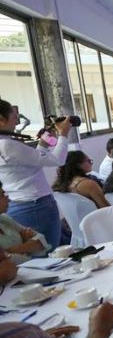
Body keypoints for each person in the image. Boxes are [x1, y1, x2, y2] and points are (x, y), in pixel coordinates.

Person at [0, 99, 70, 247]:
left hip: (18, 203)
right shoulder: (7, 145)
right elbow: (58, 160)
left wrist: (46, 139)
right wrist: (63, 134)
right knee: (49, 251)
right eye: (14, 118)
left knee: (36, 253)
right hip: (35, 205)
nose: (17, 122)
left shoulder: (5, 143)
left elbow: (35, 160)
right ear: (1, 120)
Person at [0, 182, 51, 263]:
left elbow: (42, 241)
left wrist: (15, 250)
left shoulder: (4, 218)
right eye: (2, 195)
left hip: (28, 267)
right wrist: (26, 246)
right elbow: (6, 261)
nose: (8, 199)